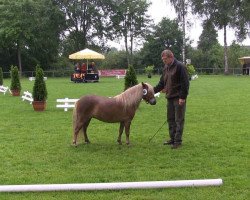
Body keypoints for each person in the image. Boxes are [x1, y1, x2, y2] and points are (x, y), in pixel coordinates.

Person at [154, 49, 189, 149]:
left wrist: (182, 97)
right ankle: (172, 139)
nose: (163, 61)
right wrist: (152, 91)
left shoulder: (180, 66)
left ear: (171, 57)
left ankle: (178, 141)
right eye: (163, 60)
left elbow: (185, 83)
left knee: (179, 120)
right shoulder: (166, 67)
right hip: (169, 97)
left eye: (165, 59)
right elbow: (161, 83)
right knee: (170, 119)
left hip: (178, 98)